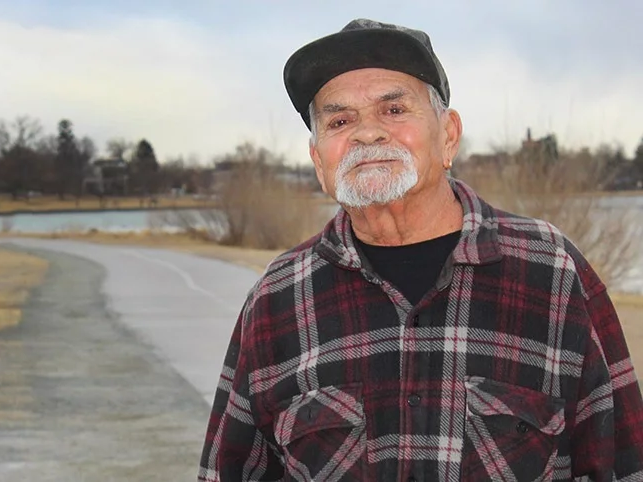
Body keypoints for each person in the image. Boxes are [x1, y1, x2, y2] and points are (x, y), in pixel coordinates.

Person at [198, 19, 643, 482]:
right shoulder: (277, 299)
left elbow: (624, 462)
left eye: (393, 109)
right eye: (340, 120)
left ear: (448, 135)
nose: (367, 134)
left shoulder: (552, 273)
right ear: (318, 161)